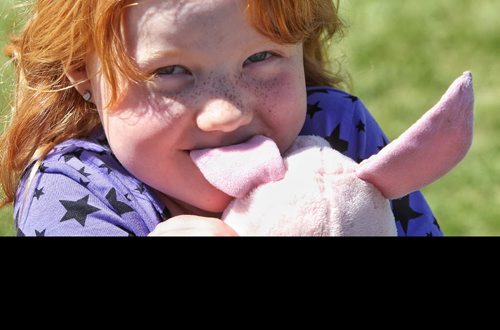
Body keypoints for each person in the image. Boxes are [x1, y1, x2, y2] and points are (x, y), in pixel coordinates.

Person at [0, 0, 442, 236]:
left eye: (261, 57)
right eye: (169, 71)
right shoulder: (71, 190)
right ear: (82, 72)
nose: (227, 113)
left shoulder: (336, 127)